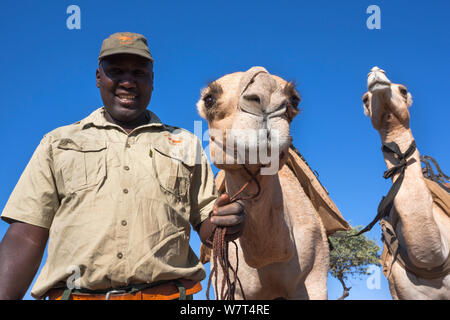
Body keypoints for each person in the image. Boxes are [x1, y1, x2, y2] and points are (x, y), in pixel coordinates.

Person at [0, 32, 245, 300]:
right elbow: (26, 235)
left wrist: (225, 222)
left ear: (152, 80)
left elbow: (207, 228)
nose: (128, 82)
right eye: (116, 71)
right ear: (98, 77)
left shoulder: (185, 143)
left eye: (139, 73)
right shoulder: (58, 143)